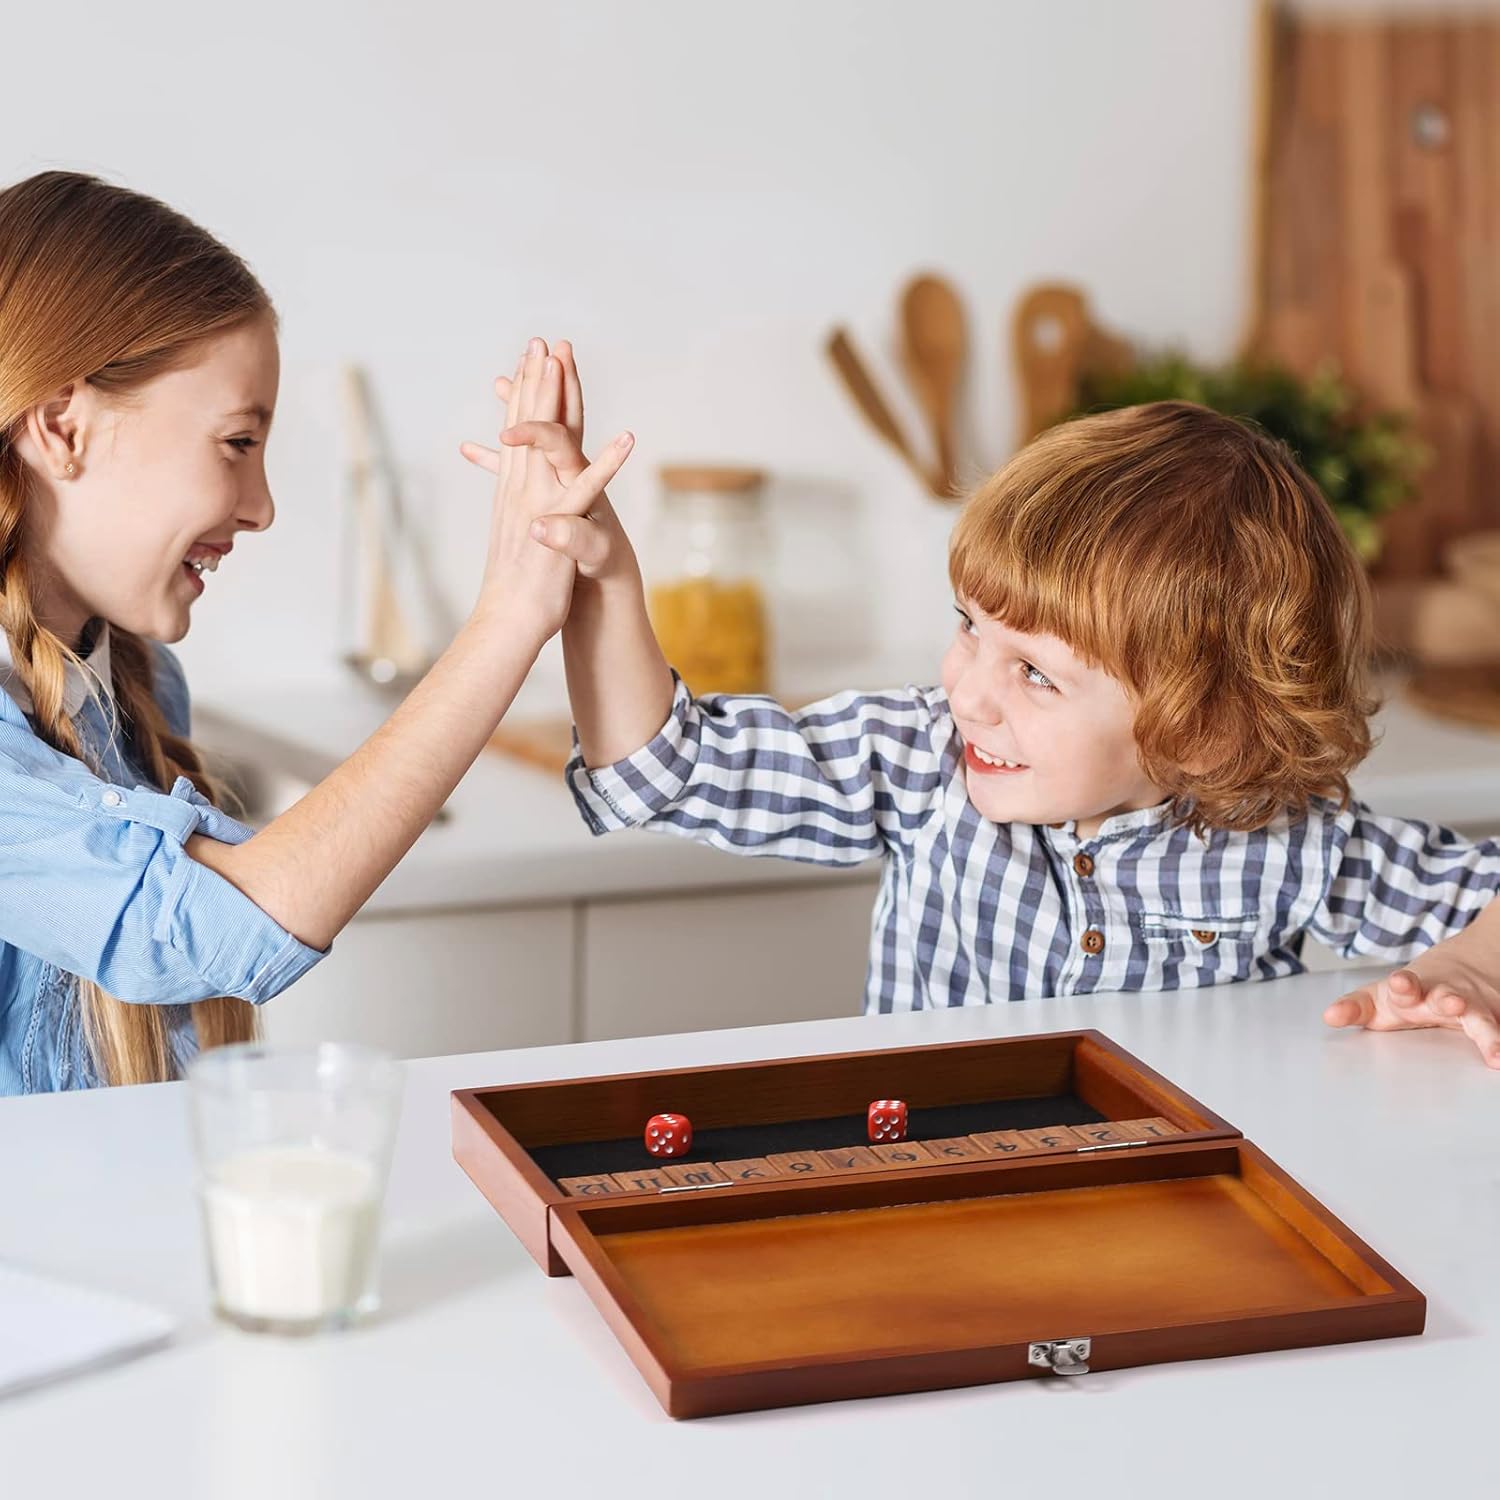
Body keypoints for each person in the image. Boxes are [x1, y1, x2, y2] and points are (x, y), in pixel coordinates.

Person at [477, 387, 1500, 1067]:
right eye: (970, 629)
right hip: (931, 1196)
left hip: (1175, 1218)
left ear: (1208, 733)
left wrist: (1468, 967)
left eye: (1036, 676)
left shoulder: (1291, 835)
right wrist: (606, 581)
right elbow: (664, 768)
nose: (968, 691)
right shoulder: (923, 763)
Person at [0, 171, 629, 1091]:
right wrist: (508, 618)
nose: (260, 507)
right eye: (237, 444)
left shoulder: (137, 680)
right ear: (63, 426)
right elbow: (188, 928)